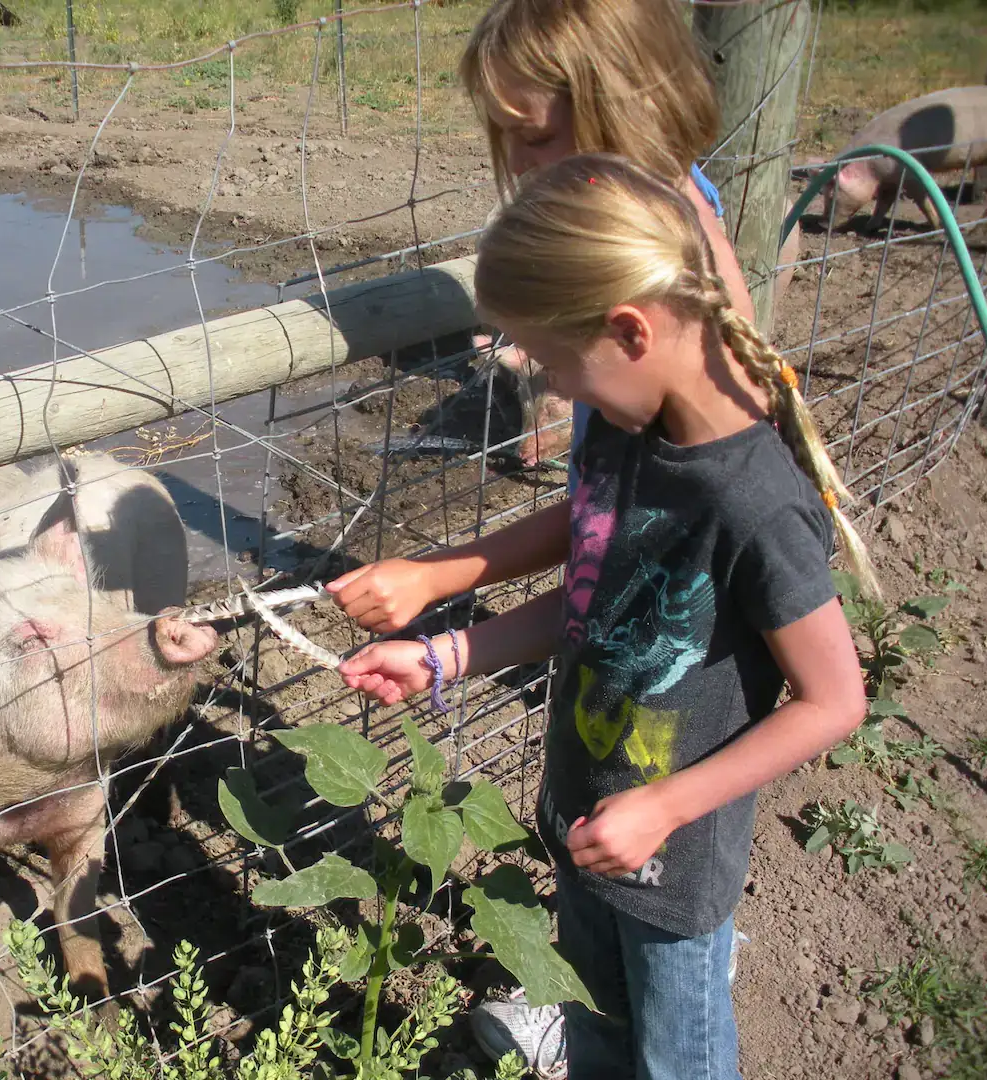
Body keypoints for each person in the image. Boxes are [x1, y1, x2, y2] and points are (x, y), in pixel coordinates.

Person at [332, 154, 873, 1079]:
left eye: (554, 366)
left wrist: (664, 806)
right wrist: (448, 654)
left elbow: (835, 701)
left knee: (677, 1058)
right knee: (597, 1032)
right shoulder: (631, 437)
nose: (563, 394)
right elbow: (596, 603)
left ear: (628, 330)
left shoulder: (751, 500)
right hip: (587, 822)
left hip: (673, 863)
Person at [459, 0, 754, 478]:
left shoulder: (650, 267)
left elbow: (685, 503)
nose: (514, 164)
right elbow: (610, 508)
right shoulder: (651, 214)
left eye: (535, 138)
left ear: (627, 109)